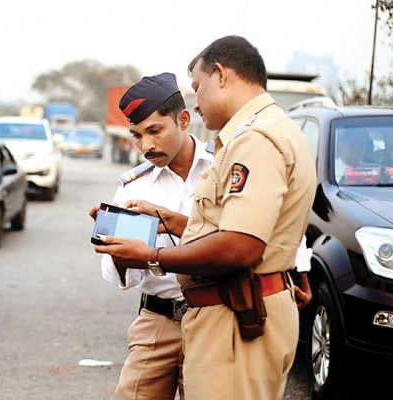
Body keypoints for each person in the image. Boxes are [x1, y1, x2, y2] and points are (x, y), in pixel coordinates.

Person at [93, 35, 316, 400]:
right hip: (176, 315)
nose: (197, 102)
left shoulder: (253, 141)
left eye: (198, 88)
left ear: (221, 75)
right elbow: (236, 226)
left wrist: (152, 255)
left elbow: (241, 244)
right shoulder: (267, 132)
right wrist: (168, 222)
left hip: (234, 311)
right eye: (136, 136)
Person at [89, 72, 212, 400]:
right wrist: (119, 253)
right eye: (137, 136)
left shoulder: (221, 170)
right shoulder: (134, 187)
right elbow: (120, 278)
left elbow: (238, 237)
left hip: (214, 319)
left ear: (183, 119)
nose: (146, 146)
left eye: (155, 131)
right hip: (157, 321)